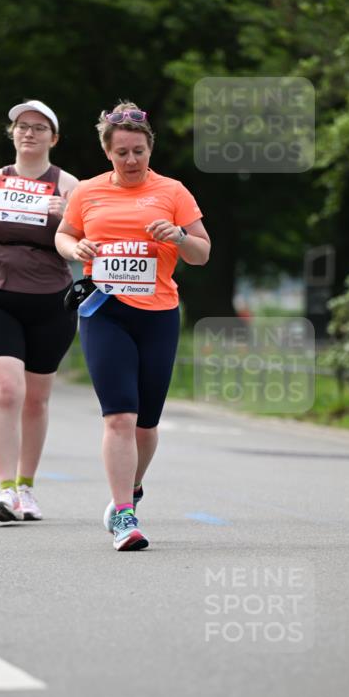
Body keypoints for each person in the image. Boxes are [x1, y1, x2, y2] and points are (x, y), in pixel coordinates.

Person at [55, 102, 211, 551]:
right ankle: (125, 515)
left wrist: (179, 237)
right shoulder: (87, 192)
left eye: (138, 151)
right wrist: (76, 248)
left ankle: (133, 486)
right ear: (108, 152)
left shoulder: (173, 191)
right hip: (105, 310)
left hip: (159, 314)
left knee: (146, 423)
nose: (131, 160)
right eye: (121, 152)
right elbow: (63, 235)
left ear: (150, 149)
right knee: (119, 416)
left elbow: (203, 252)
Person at [0, 99, 78, 522]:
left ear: (53, 138)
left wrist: (69, 219)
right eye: (22, 126)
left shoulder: (70, 186)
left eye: (39, 127)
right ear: (13, 134)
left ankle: (27, 487)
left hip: (50, 301)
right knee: (7, 390)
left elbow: (93, 237)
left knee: (36, 401)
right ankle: (5, 491)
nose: (29, 133)